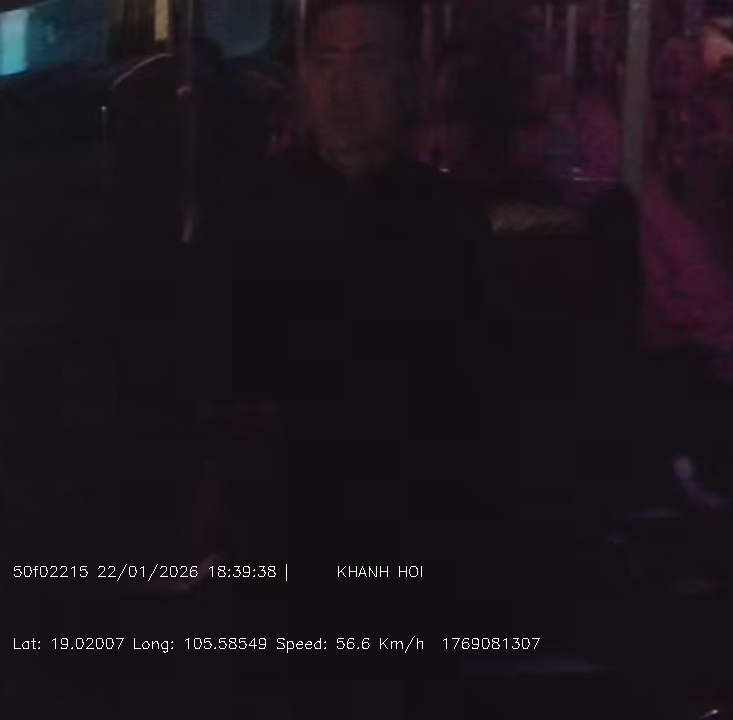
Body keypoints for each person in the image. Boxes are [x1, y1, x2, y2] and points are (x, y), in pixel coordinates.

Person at [186, 1, 498, 714]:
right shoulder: (248, 211)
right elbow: (214, 371)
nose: (343, 86)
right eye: (325, 61)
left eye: (367, 61)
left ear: (408, 75)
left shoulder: (449, 219)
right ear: (300, 73)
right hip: (283, 527)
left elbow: (474, 394)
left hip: (413, 529)